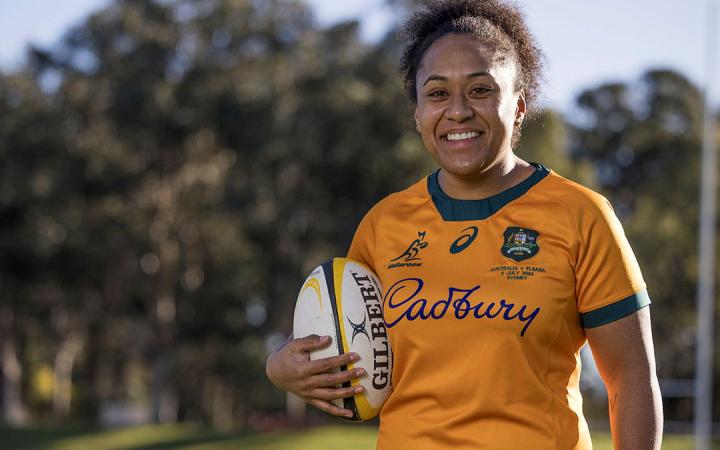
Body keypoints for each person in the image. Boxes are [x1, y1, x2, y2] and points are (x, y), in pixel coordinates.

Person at [266, 0, 663, 448]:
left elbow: (631, 376)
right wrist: (280, 368)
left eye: (480, 90)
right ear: (418, 113)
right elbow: (341, 348)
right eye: (437, 94)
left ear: (519, 106)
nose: (458, 111)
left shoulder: (581, 214)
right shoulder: (383, 225)